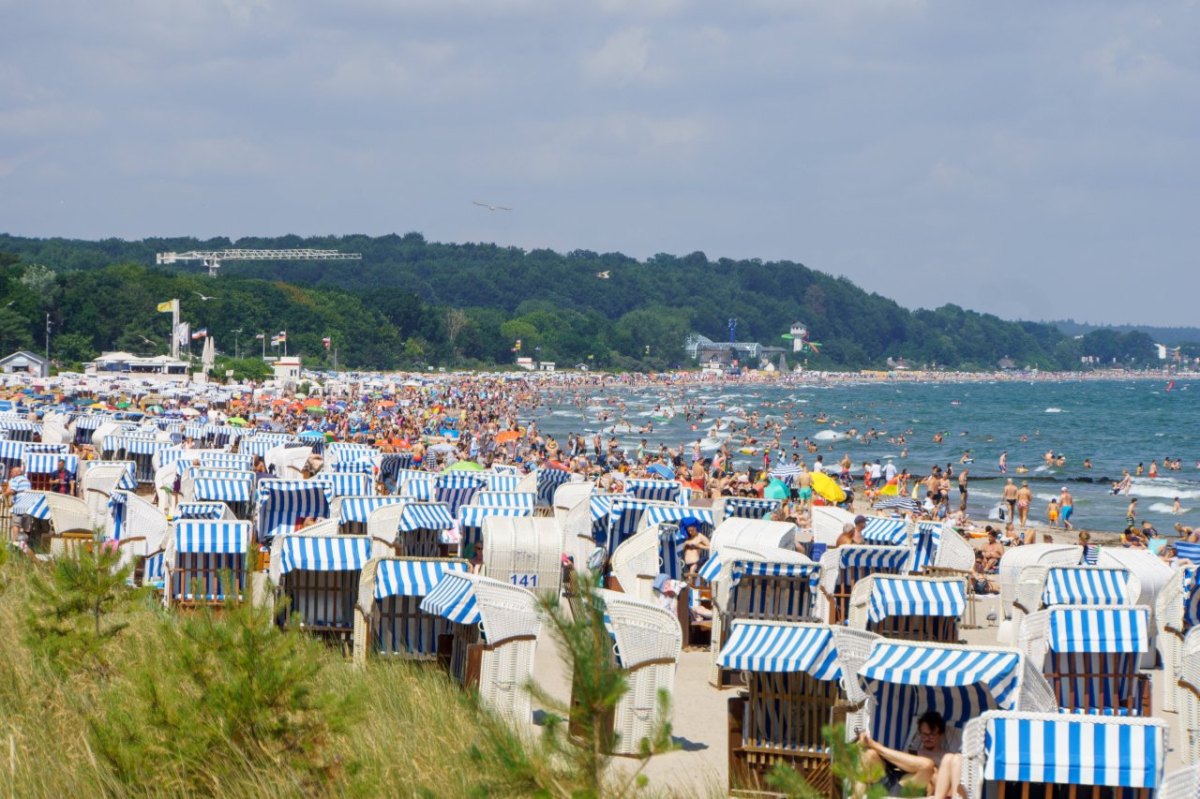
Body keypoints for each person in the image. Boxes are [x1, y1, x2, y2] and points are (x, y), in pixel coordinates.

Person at [857, 711, 962, 798]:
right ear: (920, 733)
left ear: (941, 734)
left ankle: (876, 746)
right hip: (900, 781)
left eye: (932, 734)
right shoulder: (911, 752)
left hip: (922, 789)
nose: (927, 738)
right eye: (924, 734)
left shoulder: (949, 758)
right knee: (869, 754)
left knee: (928, 766)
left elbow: (954, 787)